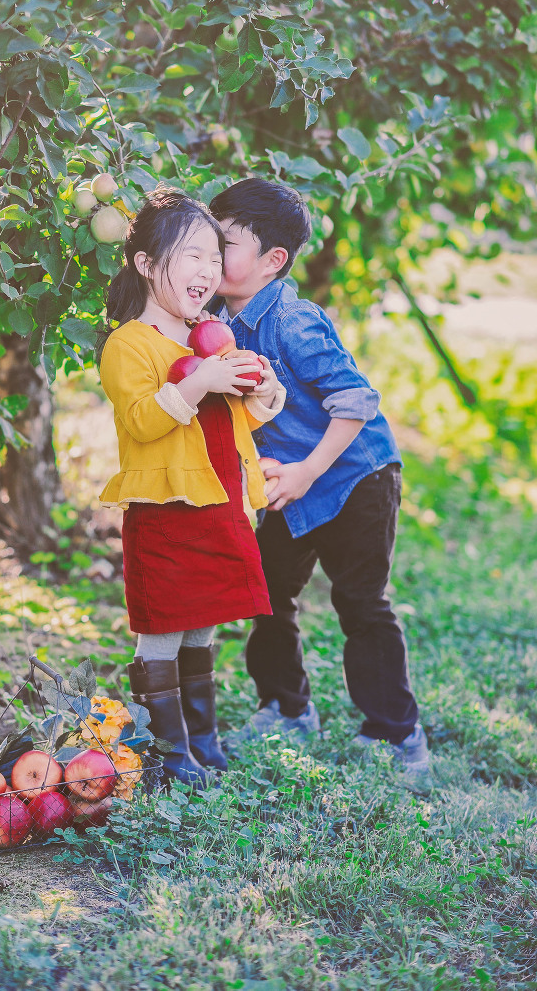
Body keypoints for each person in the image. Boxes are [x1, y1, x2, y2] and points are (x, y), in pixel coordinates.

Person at [207, 177, 429, 772]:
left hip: (355, 477)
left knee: (360, 602)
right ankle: (286, 708)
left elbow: (356, 402)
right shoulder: (212, 322)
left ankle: (395, 732)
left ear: (273, 260)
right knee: (267, 595)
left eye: (225, 242)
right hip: (290, 486)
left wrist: (306, 470)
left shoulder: (292, 321)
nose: (210, 251)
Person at [98, 188, 285, 785]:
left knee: (203, 620)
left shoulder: (211, 333)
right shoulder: (129, 344)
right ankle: (170, 753)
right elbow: (144, 422)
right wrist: (202, 377)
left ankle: (203, 739)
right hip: (166, 509)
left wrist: (259, 389)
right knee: (163, 626)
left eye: (213, 256)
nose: (207, 270)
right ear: (147, 265)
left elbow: (240, 417)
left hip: (219, 500)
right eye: (191, 257)